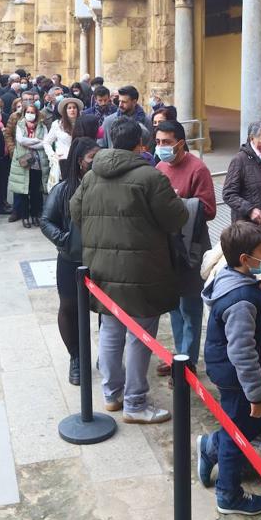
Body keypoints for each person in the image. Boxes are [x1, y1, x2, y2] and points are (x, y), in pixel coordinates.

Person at [70, 116, 188, 423]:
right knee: (140, 335)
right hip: (142, 271)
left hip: (101, 270)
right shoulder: (151, 178)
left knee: (111, 330)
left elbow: (76, 211)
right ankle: (135, 403)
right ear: (141, 144)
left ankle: (112, 395)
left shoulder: (92, 174)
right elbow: (175, 219)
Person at [197, 221, 261, 517]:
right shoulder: (241, 301)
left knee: (247, 424)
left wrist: (256, 286)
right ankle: (228, 494)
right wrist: (256, 394)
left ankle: (211, 447)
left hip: (226, 369)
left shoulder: (231, 277)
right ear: (244, 259)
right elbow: (242, 353)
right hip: (236, 377)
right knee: (238, 430)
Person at [155, 119, 216, 374]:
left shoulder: (197, 169)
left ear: (181, 143)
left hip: (191, 248)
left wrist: (180, 203)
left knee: (190, 308)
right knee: (173, 307)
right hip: (167, 248)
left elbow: (210, 209)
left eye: (167, 142)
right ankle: (179, 357)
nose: (161, 147)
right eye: (158, 142)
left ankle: (187, 364)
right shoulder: (158, 166)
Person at [40, 136, 100, 385]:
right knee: (69, 308)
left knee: (105, 310)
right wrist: (64, 240)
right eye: (91, 158)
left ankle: (106, 356)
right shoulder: (64, 189)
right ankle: (76, 357)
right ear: (79, 161)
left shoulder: (106, 186)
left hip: (102, 259)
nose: (97, 162)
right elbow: (46, 221)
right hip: (70, 260)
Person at [7, 102, 49, 227]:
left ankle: (35, 214)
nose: (30, 115)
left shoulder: (42, 126)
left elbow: (44, 143)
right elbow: (21, 140)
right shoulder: (20, 124)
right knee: (23, 191)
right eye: (28, 112)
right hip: (23, 162)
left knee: (36, 191)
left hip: (38, 163)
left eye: (32, 112)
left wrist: (32, 143)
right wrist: (36, 140)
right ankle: (25, 216)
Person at [43, 97, 83, 180]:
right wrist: (53, 155)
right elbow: (46, 142)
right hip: (62, 162)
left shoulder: (83, 124)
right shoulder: (57, 125)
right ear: (65, 110)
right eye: (69, 108)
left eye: (74, 108)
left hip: (79, 162)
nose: (72, 110)